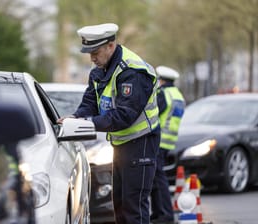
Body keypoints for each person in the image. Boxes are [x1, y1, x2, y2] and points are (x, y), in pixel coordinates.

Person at [57, 23, 160, 224]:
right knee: (120, 208)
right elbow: (90, 103)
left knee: (134, 209)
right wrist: (75, 118)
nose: (92, 58)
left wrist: (87, 123)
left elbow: (124, 116)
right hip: (121, 145)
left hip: (141, 144)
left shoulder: (132, 71)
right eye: (89, 53)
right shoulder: (99, 70)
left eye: (95, 52)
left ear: (111, 46)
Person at [150, 66, 185, 224]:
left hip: (158, 140)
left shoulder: (163, 94)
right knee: (156, 178)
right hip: (169, 141)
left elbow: (152, 114)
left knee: (159, 178)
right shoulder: (178, 95)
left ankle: (165, 214)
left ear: (161, 79)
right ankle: (159, 213)